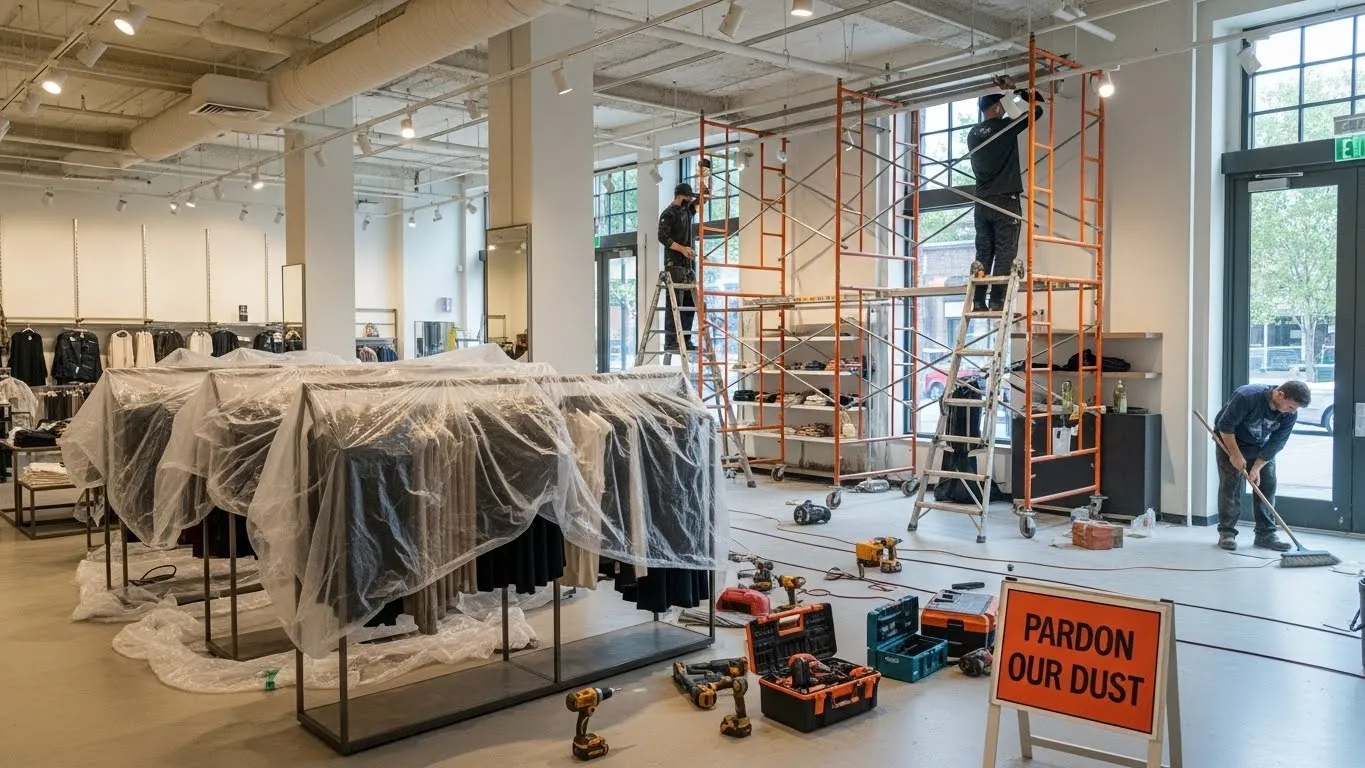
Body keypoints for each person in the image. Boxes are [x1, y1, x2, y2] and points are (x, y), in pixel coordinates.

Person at [1211, 380, 1311, 551]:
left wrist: (1256, 467)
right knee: (1230, 485)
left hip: (1260, 445)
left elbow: (1278, 442)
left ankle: (1266, 534)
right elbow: (1225, 426)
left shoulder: (1289, 415)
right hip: (1230, 439)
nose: (1292, 411)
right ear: (1280, 395)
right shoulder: (1247, 396)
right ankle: (1227, 533)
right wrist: (1235, 454)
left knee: (1267, 484)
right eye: (1291, 406)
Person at [966, 90, 1044, 312]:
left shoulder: (972, 134)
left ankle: (978, 300)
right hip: (1005, 200)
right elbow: (1036, 112)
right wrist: (1023, 96)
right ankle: (997, 301)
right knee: (1005, 251)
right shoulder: (1006, 127)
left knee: (983, 252)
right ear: (998, 107)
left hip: (982, 202)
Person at [657, 181, 699, 352]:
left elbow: (700, 202)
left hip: (687, 263)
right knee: (674, 301)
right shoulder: (669, 214)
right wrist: (682, 249)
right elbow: (662, 237)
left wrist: (704, 184)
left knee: (689, 302)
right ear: (681, 197)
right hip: (674, 263)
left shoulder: (687, 212)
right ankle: (672, 340)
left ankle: (686, 338)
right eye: (688, 197)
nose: (690, 201)